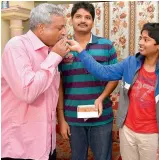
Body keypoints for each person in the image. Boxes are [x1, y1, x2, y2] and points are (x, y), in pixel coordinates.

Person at [67, 22, 159, 160]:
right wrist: (81, 51)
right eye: (141, 38)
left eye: (146, 39)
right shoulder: (130, 63)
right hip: (127, 131)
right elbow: (103, 72)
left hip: (152, 135)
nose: (141, 42)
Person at [1, 3, 69, 160]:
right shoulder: (16, 46)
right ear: (41, 28)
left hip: (46, 145)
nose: (64, 32)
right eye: (60, 28)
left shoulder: (50, 51)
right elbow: (28, 92)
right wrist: (55, 57)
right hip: (21, 147)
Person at [56, 2, 118, 160]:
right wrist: (61, 119)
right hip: (72, 118)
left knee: (103, 157)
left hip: (101, 116)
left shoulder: (106, 45)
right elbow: (58, 85)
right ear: (71, 20)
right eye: (78, 16)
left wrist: (101, 97)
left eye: (87, 17)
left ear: (93, 21)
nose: (83, 20)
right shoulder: (62, 47)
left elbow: (114, 77)